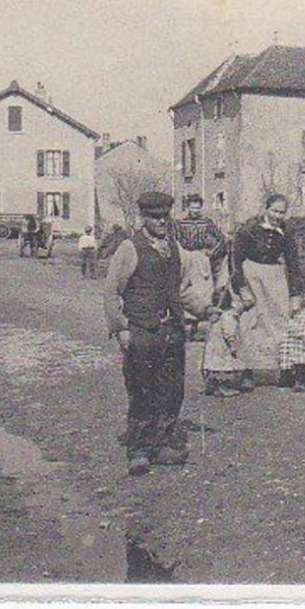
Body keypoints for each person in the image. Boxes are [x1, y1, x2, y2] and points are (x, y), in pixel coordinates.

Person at [103, 191, 188, 475]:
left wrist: (205, 309)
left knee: (171, 389)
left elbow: (182, 288)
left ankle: (161, 444)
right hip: (141, 330)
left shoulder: (173, 247)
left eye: (165, 216)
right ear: (143, 218)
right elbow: (112, 290)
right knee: (141, 389)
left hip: (171, 330)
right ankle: (139, 450)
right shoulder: (130, 247)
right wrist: (121, 328)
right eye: (155, 217)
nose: (162, 222)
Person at [230, 193, 302, 389]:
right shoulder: (249, 229)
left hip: (275, 278)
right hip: (252, 276)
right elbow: (234, 259)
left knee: (279, 322)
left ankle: (285, 369)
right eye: (274, 211)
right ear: (266, 209)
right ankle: (247, 371)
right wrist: (241, 288)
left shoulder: (286, 233)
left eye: (282, 212)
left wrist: (295, 294)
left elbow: (294, 264)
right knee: (250, 322)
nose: (278, 215)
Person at [171, 193, 229, 336]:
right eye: (192, 207)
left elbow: (221, 239)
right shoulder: (180, 222)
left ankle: (203, 321)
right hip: (185, 257)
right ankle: (188, 323)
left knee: (203, 288)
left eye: (197, 208)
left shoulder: (207, 222)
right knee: (185, 287)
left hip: (202, 259)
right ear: (188, 207)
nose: (195, 210)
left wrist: (211, 253)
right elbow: (175, 241)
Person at [279, 301, 305, 391]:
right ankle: (297, 380)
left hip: (291, 341)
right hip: (298, 342)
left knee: (291, 356)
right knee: (300, 358)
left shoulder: (299, 317)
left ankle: (293, 378)